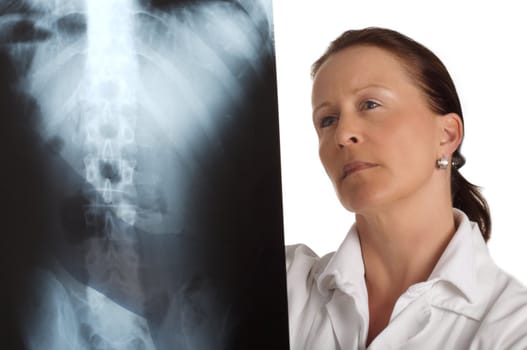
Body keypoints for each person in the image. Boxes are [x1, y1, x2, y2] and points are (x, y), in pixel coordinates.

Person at [286, 27, 527, 349]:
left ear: (446, 135)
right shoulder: (278, 284)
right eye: (327, 120)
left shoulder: (513, 327)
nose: (343, 134)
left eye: (370, 104)